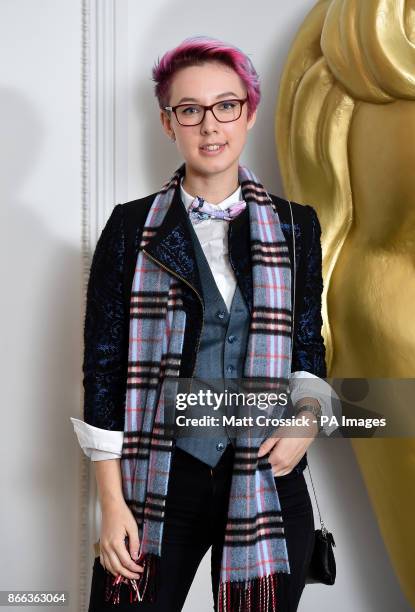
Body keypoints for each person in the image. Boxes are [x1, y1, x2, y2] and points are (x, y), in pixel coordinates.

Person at [71, 36, 337, 611]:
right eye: (190, 110)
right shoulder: (129, 228)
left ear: (249, 112)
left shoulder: (296, 227)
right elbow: (104, 368)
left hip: (267, 476)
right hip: (160, 476)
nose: (209, 125)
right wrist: (112, 504)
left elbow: (307, 345)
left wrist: (308, 420)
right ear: (169, 122)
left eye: (226, 105)